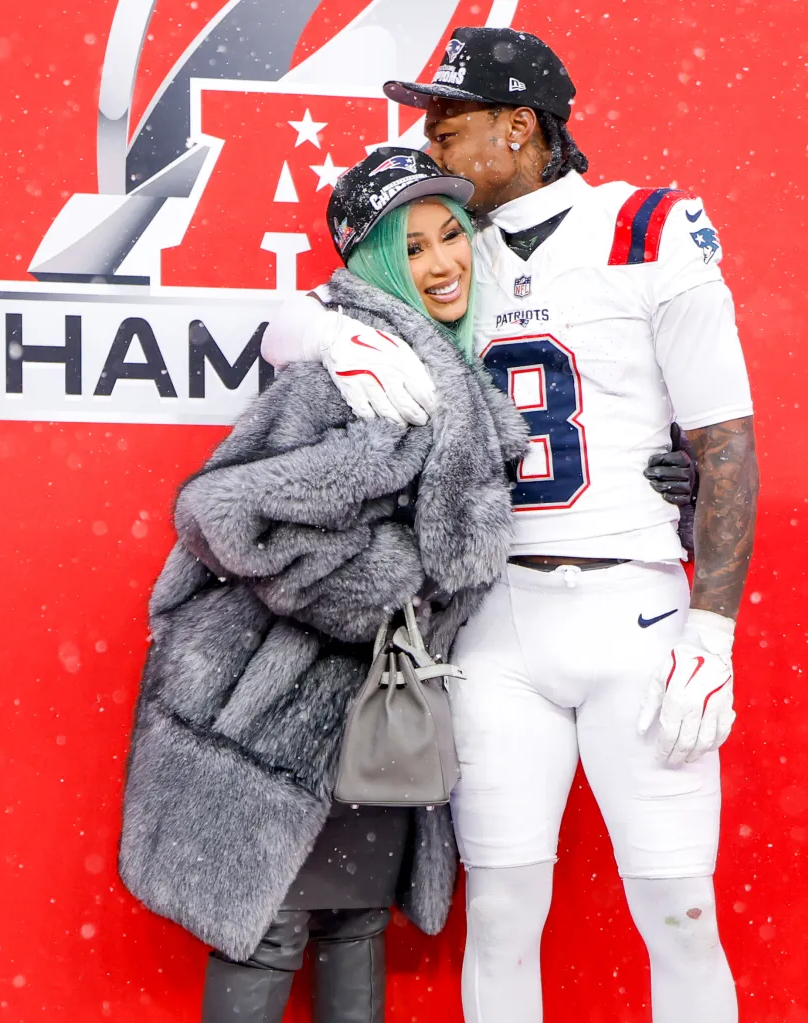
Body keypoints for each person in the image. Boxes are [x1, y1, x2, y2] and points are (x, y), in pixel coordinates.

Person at [261, 26, 759, 1023]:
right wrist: (330, 334)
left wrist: (713, 630)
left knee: (679, 911)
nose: (429, 145)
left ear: (519, 127)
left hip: (637, 613)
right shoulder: (448, 249)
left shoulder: (647, 227)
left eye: (449, 126)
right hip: (494, 625)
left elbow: (725, 442)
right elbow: (287, 323)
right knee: (500, 913)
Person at [117, 147, 529, 1023]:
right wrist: (385, 581)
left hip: (375, 715)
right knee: (270, 926)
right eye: (411, 247)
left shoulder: (445, 371)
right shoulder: (358, 376)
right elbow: (224, 514)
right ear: (374, 263)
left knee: (353, 921)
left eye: (450, 235)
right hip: (278, 710)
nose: (443, 262)